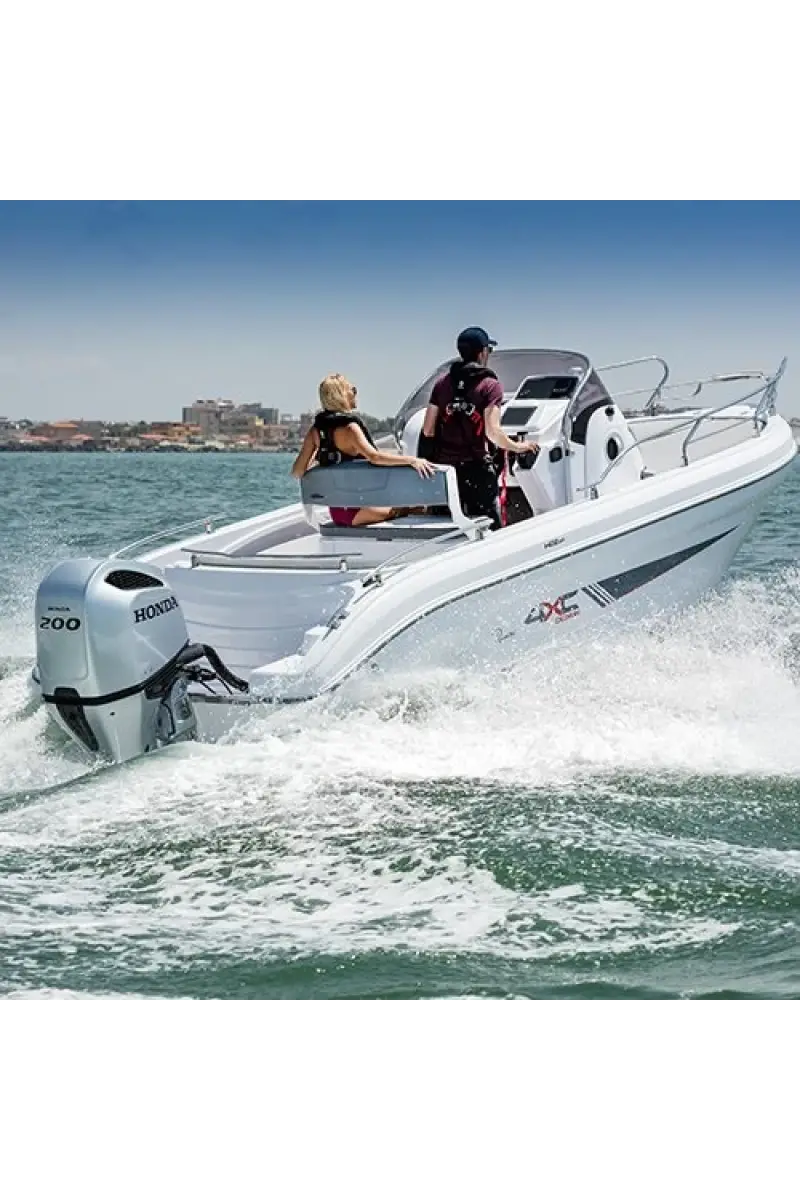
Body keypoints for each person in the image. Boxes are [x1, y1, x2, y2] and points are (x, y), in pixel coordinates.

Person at [421, 327, 539, 529]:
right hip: (476, 471)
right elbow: (493, 432)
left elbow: (428, 430)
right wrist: (519, 447)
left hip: (445, 473)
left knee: (449, 530)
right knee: (488, 530)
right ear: (483, 352)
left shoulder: (441, 384)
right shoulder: (490, 385)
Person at [291, 373, 435, 527]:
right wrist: (412, 460)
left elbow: (297, 471)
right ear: (341, 395)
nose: (355, 393)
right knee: (419, 508)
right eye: (352, 390)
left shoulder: (316, 431)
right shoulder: (350, 428)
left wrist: (321, 457)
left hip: (337, 513)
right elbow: (374, 457)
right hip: (359, 511)